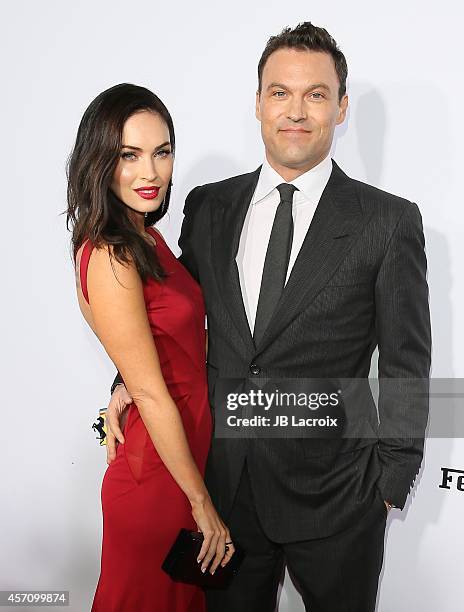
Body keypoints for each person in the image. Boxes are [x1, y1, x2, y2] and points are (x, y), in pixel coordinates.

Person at [109, 22, 431, 612]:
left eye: (316, 94)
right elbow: (174, 317)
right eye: (280, 92)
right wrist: (124, 381)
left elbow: (408, 364)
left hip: (339, 501)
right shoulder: (209, 206)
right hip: (224, 494)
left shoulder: (388, 223)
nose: (297, 111)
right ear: (258, 103)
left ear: (341, 108)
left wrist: (389, 485)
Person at [67, 83, 235, 612]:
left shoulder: (147, 238)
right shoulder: (111, 254)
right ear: (100, 161)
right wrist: (201, 502)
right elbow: (153, 391)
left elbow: (154, 347)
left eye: (162, 152)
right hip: (159, 483)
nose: (151, 172)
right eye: (129, 155)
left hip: (179, 463)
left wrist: (121, 383)